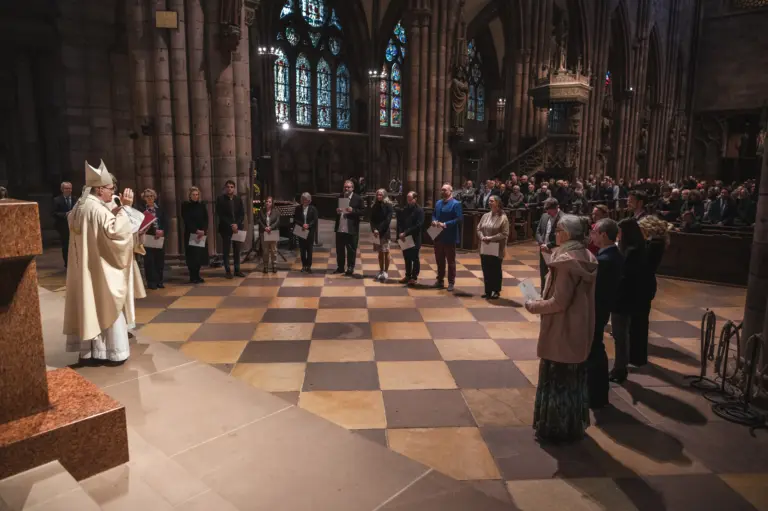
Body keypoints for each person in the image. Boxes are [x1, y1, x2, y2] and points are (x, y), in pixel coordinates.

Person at [64, 160, 145, 365]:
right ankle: (112, 352)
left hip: (85, 269)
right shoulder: (98, 209)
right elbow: (116, 234)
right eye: (110, 189)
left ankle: (89, 352)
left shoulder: (80, 206)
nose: (113, 192)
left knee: (89, 305)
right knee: (106, 303)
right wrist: (126, 209)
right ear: (100, 189)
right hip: (99, 269)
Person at [525, 215, 597, 442]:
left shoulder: (566, 262)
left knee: (557, 380)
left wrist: (533, 306)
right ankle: (572, 426)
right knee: (571, 379)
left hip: (561, 329)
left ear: (567, 233)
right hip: (577, 327)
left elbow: (559, 302)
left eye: (558, 230)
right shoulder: (585, 255)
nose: (555, 233)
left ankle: (556, 429)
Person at [588, 218, 623, 408]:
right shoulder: (612, 254)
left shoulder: (604, 260)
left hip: (597, 309)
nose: (591, 235)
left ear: (603, 235)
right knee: (595, 348)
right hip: (602, 309)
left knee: (594, 350)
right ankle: (597, 394)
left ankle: (596, 396)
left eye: (594, 232)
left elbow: (596, 290)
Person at [610, 218, 649, 383]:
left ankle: (620, 369)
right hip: (628, 297)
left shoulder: (632, 252)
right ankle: (620, 366)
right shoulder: (638, 248)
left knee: (620, 334)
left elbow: (624, 275)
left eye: (620, 232)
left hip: (623, 298)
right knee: (621, 334)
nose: (618, 236)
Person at [431, 183, 463, 291]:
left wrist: (445, 224)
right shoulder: (438, 202)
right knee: (439, 260)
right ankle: (440, 280)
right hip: (437, 235)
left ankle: (451, 282)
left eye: (445, 190)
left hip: (449, 236)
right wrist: (434, 221)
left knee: (450, 261)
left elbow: (459, 219)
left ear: (450, 191)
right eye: (442, 190)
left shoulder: (456, 204)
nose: (443, 192)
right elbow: (434, 214)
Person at [477, 195, 509, 299]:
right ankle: (488, 290)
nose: (489, 203)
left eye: (492, 201)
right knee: (486, 268)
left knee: (495, 269)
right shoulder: (485, 215)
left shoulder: (503, 217)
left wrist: (490, 238)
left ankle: (496, 290)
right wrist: (482, 237)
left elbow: (504, 233)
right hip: (485, 246)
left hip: (497, 247)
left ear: (497, 203)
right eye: (489, 201)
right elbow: (478, 228)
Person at [334, 179, 366, 275]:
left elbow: (363, 212)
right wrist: (337, 211)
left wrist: (353, 210)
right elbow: (333, 210)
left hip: (352, 228)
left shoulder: (358, 198)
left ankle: (350, 268)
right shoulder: (340, 196)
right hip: (340, 227)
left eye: (348, 187)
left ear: (352, 188)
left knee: (351, 249)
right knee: (340, 249)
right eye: (345, 187)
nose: (346, 189)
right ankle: (340, 267)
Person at [216, 180, 246, 279]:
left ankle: (237, 269)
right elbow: (220, 214)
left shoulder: (238, 199)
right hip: (226, 228)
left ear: (234, 188)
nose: (230, 188)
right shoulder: (220, 199)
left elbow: (242, 214)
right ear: (225, 188)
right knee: (226, 250)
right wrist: (231, 224)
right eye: (228, 187)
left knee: (237, 250)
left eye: (232, 187)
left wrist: (236, 224)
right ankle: (228, 270)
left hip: (237, 228)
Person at [181, 186, 209, 284]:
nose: (195, 196)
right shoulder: (185, 206)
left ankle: (197, 275)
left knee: (199, 256)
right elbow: (186, 220)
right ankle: (192, 276)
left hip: (201, 234)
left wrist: (203, 230)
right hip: (191, 233)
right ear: (189, 195)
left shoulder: (202, 205)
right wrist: (196, 230)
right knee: (192, 256)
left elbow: (206, 219)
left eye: (197, 195)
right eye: (193, 194)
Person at [139, 189, 165, 289]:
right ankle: (151, 282)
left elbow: (166, 222)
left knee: (159, 260)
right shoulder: (142, 210)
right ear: (144, 198)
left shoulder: (160, 209)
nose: (150, 198)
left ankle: (159, 281)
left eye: (151, 196)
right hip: (148, 237)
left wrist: (162, 231)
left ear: (155, 197)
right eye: (147, 196)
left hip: (159, 237)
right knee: (149, 261)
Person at [397, 191, 424, 285]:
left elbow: (418, 225)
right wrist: (401, 233)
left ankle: (414, 277)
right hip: (405, 237)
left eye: (410, 199)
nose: (408, 201)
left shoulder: (419, 210)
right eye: (407, 199)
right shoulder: (405, 209)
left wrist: (406, 232)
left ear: (415, 199)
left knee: (414, 258)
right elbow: (401, 222)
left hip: (414, 237)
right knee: (406, 257)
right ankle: (407, 275)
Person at [535, 198, 563, 288]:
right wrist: (541, 243)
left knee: (555, 274)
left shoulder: (563, 218)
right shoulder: (544, 216)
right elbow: (538, 231)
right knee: (543, 273)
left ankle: (552, 294)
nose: (547, 212)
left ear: (556, 208)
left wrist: (548, 245)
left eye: (548, 210)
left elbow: (561, 238)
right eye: (546, 209)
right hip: (543, 249)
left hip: (555, 250)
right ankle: (543, 292)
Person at [53, 181, 76, 267]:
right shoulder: (57, 200)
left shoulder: (75, 199)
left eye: (70, 188)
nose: (68, 190)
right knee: (66, 245)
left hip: (74, 225)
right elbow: (54, 213)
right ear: (62, 189)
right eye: (66, 188)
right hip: (63, 226)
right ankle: (67, 263)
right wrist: (65, 214)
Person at [294, 192, 318, 273]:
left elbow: (315, 220)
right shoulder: (298, 208)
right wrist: (302, 225)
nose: (305, 201)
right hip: (301, 230)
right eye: (303, 199)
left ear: (309, 200)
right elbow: (296, 219)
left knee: (309, 249)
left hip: (310, 231)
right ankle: (304, 265)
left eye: (306, 199)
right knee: (302, 249)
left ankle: (309, 266)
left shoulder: (313, 209)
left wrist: (308, 225)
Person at [258, 196, 281, 274]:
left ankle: (274, 266)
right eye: (267, 201)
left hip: (273, 232)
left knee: (274, 250)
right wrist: (265, 227)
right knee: (265, 251)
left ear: (272, 203)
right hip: (264, 232)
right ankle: (265, 266)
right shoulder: (261, 211)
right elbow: (259, 220)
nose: (267, 203)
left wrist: (271, 227)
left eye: (269, 202)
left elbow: (277, 221)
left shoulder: (276, 211)